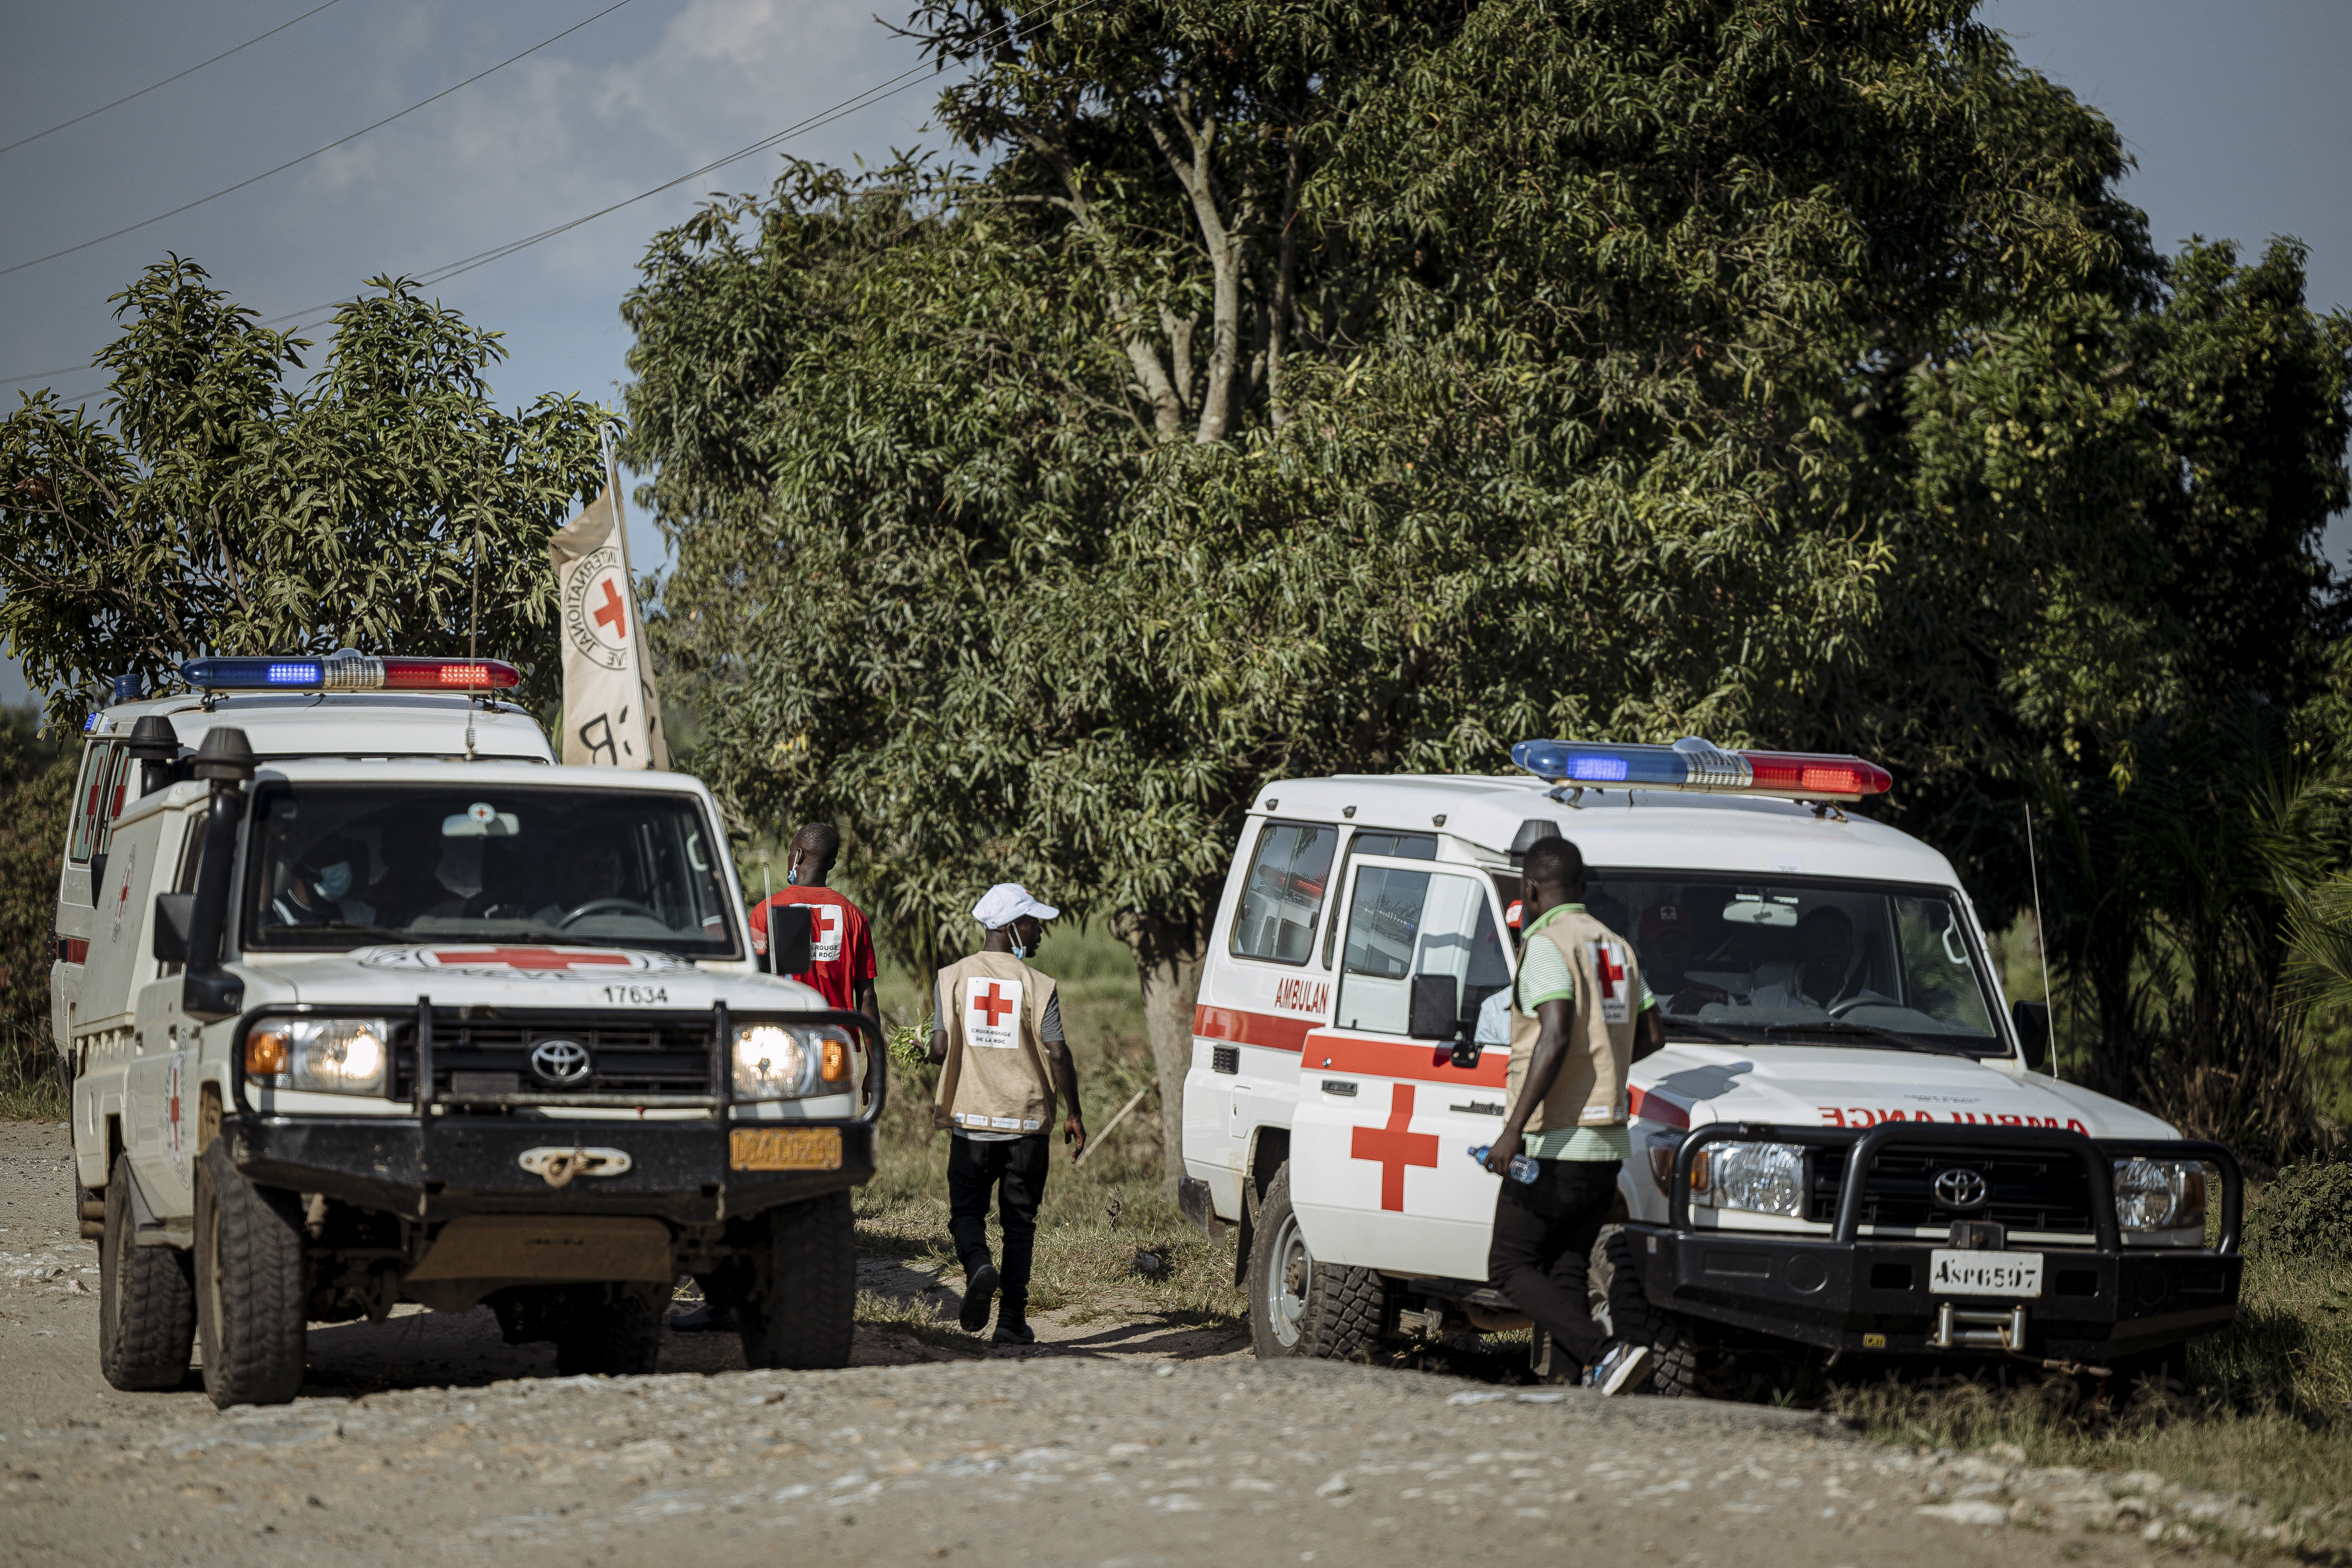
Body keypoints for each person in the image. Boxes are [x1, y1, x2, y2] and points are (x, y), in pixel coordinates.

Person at [1482, 836, 1666, 1395]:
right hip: (1607, 1146)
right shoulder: (1616, 947)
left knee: (1509, 1267)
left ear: (1530, 891)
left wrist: (1512, 1129)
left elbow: (1556, 1033)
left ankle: (1606, 1353)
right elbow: (1653, 1034)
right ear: (1581, 889)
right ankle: (1566, 1392)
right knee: (1565, 1271)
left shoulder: (1545, 946)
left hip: (1554, 1145)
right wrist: (1602, 1065)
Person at [927, 883, 1086, 1346]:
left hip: (974, 1120)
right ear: (1010, 927)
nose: (1039, 932)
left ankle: (979, 1266)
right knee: (1019, 1222)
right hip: (1027, 1124)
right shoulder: (1038, 984)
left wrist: (932, 1043)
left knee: (966, 1212)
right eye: (1034, 923)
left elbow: (940, 1049)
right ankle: (1012, 1321)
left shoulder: (951, 977)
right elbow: (1057, 1051)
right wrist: (1074, 1112)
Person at [747, 824, 878, 1019]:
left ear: (798, 856)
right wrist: (877, 1050)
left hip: (785, 1035)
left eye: (791, 852)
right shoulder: (855, 916)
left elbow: (754, 984)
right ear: (832, 865)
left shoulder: (765, 911)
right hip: (838, 1039)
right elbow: (867, 997)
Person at [1748, 905, 1888, 1011]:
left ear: (1851, 951)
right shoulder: (1761, 1004)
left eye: (1839, 941)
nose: (1831, 949)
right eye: (1820, 941)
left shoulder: (1878, 1010)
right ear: (1803, 948)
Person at [1638, 901, 1728, 1014]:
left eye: (1679, 941)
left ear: (1692, 947)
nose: (1671, 950)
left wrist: (1710, 1010)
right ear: (1642, 947)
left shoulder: (1717, 997)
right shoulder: (1623, 999)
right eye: (1661, 940)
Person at [269, 835, 377, 929]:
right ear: (301, 865)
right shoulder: (278, 912)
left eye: (342, 858)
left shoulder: (354, 912)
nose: (340, 865)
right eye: (330, 858)